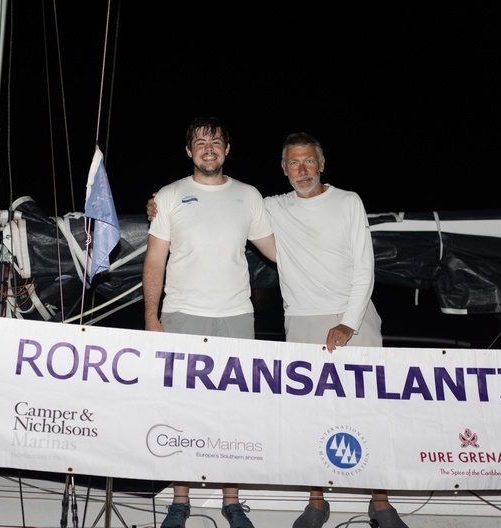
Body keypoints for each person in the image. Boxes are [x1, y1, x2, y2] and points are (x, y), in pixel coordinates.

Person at [147, 132, 409, 528]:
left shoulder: (348, 201)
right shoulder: (269, 205)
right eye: (293, 163)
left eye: (308, 161)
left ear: (322, 164)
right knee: (310, 412)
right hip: (301, 318)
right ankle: (316, 501)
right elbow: (219, 208)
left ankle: (381, 502)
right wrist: (156, 204)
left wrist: (349, 322)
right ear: (283, 169)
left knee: (368, 407)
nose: (301, 170)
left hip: (352, 318)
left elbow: (365, 267)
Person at [143, 115, 276, 528]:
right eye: (200, 142)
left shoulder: (249, 196)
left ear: (227, 150)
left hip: (236, 316)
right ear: (188, 151)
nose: (208, 148)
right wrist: (151, 317)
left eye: (216, 141)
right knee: (181, 408)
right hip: (181, 315)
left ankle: (231, 500)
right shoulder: (168, 196)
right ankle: (179, 499)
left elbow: (280, 252)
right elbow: (154, 261)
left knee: (233, 409)